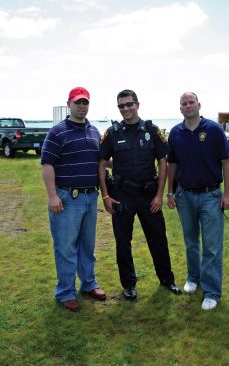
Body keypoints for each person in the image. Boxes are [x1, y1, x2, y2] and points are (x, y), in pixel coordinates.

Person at [98, 89, 181, 300]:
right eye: (121, 106)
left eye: (129, 104)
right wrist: (106, 197)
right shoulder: (112, 133)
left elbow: (163, 162)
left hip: (148, 195)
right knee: (123, 243)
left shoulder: (152, 131)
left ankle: (167, 280)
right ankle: (129, 285)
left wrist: (159, 195)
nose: (125, 109)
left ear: (137, 104)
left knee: (158, 240)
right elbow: (100, 164)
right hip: (121, 196)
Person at [167, 92, 229, 310]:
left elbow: (226, 162)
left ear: (199, 105)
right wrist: (170, 192)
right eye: (184, 103)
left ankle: (212, 291)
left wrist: (228, 193)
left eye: (191, 102)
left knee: (212, 246)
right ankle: (193, 278)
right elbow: (172, 165)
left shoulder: (213, 129)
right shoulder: (176, 133)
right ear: (180, 108)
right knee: (191, 241)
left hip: (211, 196)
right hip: (184, 195)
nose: (188, 106)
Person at [41, 86, 106, 312]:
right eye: (78, 102)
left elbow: (101, 163)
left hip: (90, 197)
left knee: (87, 246)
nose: (82, 106)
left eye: (85, 102)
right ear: (69, 104)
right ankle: (65, 292)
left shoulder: (95, 132)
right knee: (66, 247)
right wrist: (52, 196)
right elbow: (47, 164)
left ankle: (89, 284)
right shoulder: (57, 132)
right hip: (68, 198)